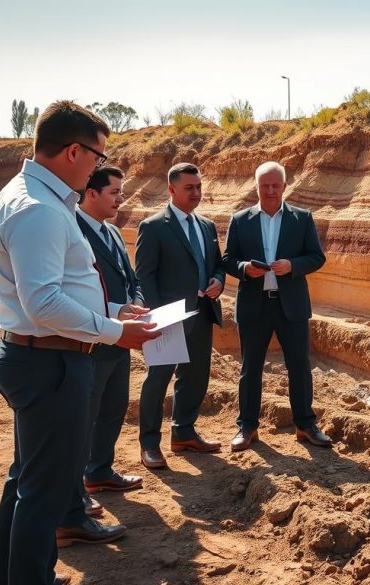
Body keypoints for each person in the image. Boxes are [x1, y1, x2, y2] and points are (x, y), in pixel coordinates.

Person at [0, 101, 159, 585]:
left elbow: (54, 292)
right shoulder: (37, 209)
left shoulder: (36, 198)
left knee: (29, 480)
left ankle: (20, 575)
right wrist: (115, 331)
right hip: (50, 362)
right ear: (74, 152)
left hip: (45, 354)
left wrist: (110, 312)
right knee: (45, 488)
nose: (100, 167)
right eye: (99, 157)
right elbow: (42, 303)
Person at [58, 166, 144, 535]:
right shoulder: (71, 231)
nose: (120, 199)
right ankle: (73, 493)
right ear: (90, 193)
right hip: (89, 340)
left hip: (119, 337)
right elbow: (69, 293)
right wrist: (116, 314)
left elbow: (130, 279)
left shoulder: (110, 232)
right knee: (81, 419)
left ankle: (99, 472)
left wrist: (136, 305)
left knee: (112, 408)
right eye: (114, 192)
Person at [222, 161, 330, 451]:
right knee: (250, 368)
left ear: (284, 186)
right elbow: (228, 259)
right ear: (256, 186)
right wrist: (245, 267)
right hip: (254, 306)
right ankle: (247, 427)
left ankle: (305, 425)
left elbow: (317, 257)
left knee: (299, 366)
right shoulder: (240, 219)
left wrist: (292, 266)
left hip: (291, 306)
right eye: (264, 185)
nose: (270, 190)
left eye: (275, 185)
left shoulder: (302, 218)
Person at [135, 162, 225, 469]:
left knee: (196, 375)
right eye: (189, 188)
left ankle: (183, 432)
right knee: (158, 378)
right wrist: (159, 317)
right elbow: (144, 276)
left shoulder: (207, 226)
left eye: (199, 187)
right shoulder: (154, 226)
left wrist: (218, 280)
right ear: (172, 189)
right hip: (169, 317)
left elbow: (217, 264)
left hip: (202, 312)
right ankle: (149, 444)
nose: (196, 193)